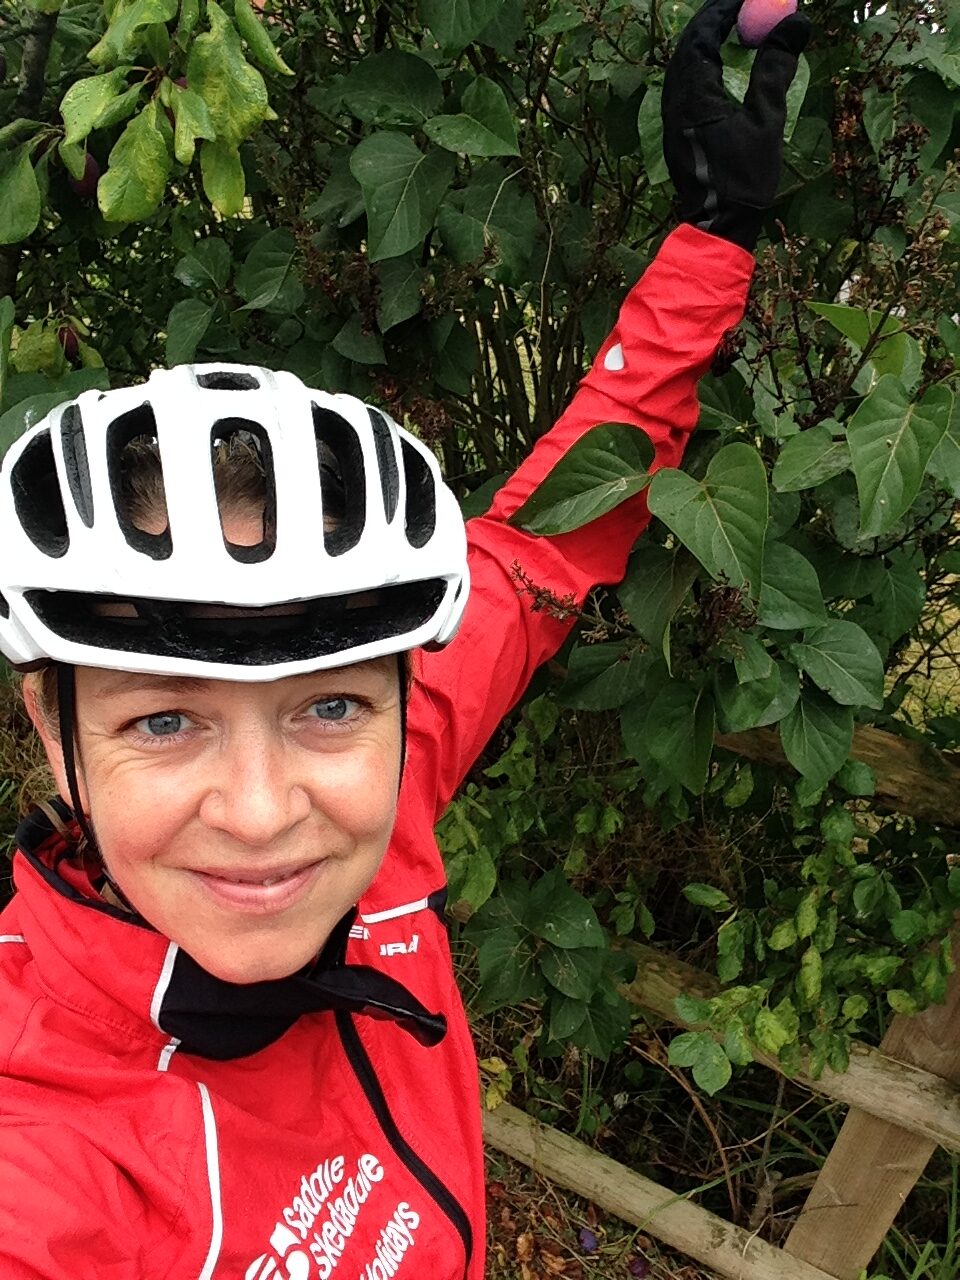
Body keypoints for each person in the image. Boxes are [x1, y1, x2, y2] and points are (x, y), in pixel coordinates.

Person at [0, 1, 807, 1276]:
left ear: (398, 688)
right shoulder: (43, 1166)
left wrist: (715, 235)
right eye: (164, 715)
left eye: (328, 703)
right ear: (57, 733)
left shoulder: (396, 771)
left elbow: (541, 537)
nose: (268, 814)